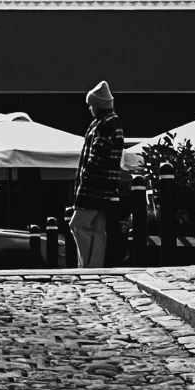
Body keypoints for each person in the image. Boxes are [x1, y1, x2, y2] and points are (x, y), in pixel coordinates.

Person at [70, 79, 126, 269]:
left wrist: (85, 176)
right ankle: (94, 265)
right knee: (97, 229)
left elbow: (97, 155)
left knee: (77, 225)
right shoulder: (109, 123)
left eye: (91, 105)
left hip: (94, 187)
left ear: (98, 105)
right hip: (105, 187)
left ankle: (87, 264)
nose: (89, 109)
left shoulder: (104, 125)